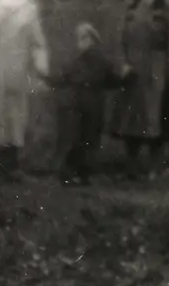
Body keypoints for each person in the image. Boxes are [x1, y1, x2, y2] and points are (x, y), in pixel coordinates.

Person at [109, 0, 169, 179]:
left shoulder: (168, 10)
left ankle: (154, 166)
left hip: (156, 68)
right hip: (132, 69)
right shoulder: (130, 7)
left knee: (156, 116)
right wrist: (122, 64)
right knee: (130, 116)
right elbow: (118, 40)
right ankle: (131, 166)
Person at [0, 1, 51, 179]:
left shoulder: (26, 9)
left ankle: (8, 167)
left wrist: (41, 68)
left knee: (13, 120)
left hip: (14, 75)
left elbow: (37, 43)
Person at [48, 22, 119, 186]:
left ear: (91, 39)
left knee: (80, 139)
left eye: (83, 37)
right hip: (91, 103)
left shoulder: (80, 60)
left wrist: (49, 80)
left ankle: (72, 174)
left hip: (80, 102)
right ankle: (80, 174)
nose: (80, 41)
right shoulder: (100, 59)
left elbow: (65, 78)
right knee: (89, 140)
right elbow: (110, 81)